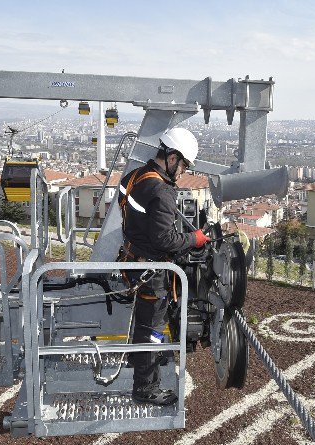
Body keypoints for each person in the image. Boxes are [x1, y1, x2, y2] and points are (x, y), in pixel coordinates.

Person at [118, 127, 211, 406]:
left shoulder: (134, 176)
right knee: (152, 328)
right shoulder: (161, 190)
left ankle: (140, 360)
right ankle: (146, 388)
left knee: (145, 322)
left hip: (133, 258)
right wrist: (194, 238)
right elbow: (165, 239)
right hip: (150, 270)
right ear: (171, 158)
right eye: (182, 164)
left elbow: (132, 213)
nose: (183, 171)